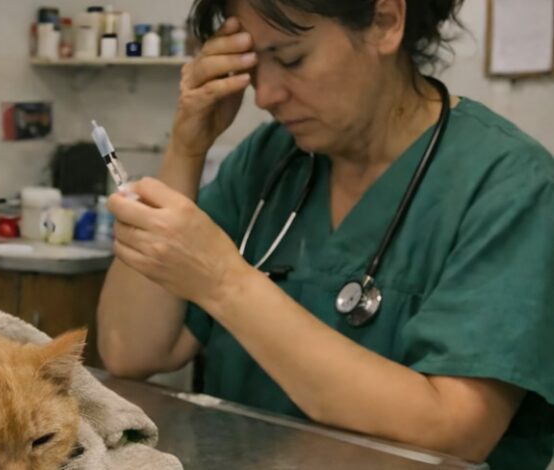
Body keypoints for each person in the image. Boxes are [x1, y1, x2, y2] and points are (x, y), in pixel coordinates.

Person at [96, 0, 554, 467]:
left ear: (385, 21)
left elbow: (455, 430)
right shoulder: (270, 163)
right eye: (252, 67)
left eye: (291, 58)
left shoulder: (507, 184)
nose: (265, 95)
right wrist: (187, 147)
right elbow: (131, 351)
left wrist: (225, 282)